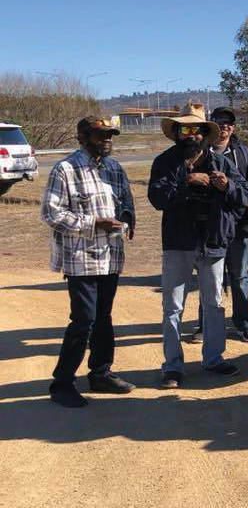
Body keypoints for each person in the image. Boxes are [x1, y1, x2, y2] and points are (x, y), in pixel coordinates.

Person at [148, 102, 248, 388]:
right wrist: (186, 182)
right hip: (178, 243)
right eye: (184, 129)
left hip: (213, 243)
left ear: (205, 133)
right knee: (172, 306)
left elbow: (244, 196)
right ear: (177, 133)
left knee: (214, 304)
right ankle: (172, 366)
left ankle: (213, 358)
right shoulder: (165, 162)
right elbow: (157, 198)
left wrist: (226, 186)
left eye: (196, 129)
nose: (190, 134)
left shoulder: (221, 162)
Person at [40, 116, 136, 407]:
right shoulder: (66, 169)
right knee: (84, 320)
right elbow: (51, 213)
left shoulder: (114, 168)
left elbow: (126, 202)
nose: (107, 139)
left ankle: (100, 372)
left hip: (110, 256)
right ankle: (62, 384)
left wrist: (129, 219)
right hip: (80, 258)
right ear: (83, 137)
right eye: (100, 135)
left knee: (104, 318)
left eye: (110, 135)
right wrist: (95, 223)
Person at [189, 107, 248, 343]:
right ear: (212, 124)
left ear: (234, 126)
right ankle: (206, 325)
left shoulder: (243, 153)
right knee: (210, 278)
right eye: (219, 121)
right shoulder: (199, 152)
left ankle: (243, 323)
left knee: (239, 275)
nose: (224, 126)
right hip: (209, 228)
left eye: (229, 122)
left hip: (239, 227)